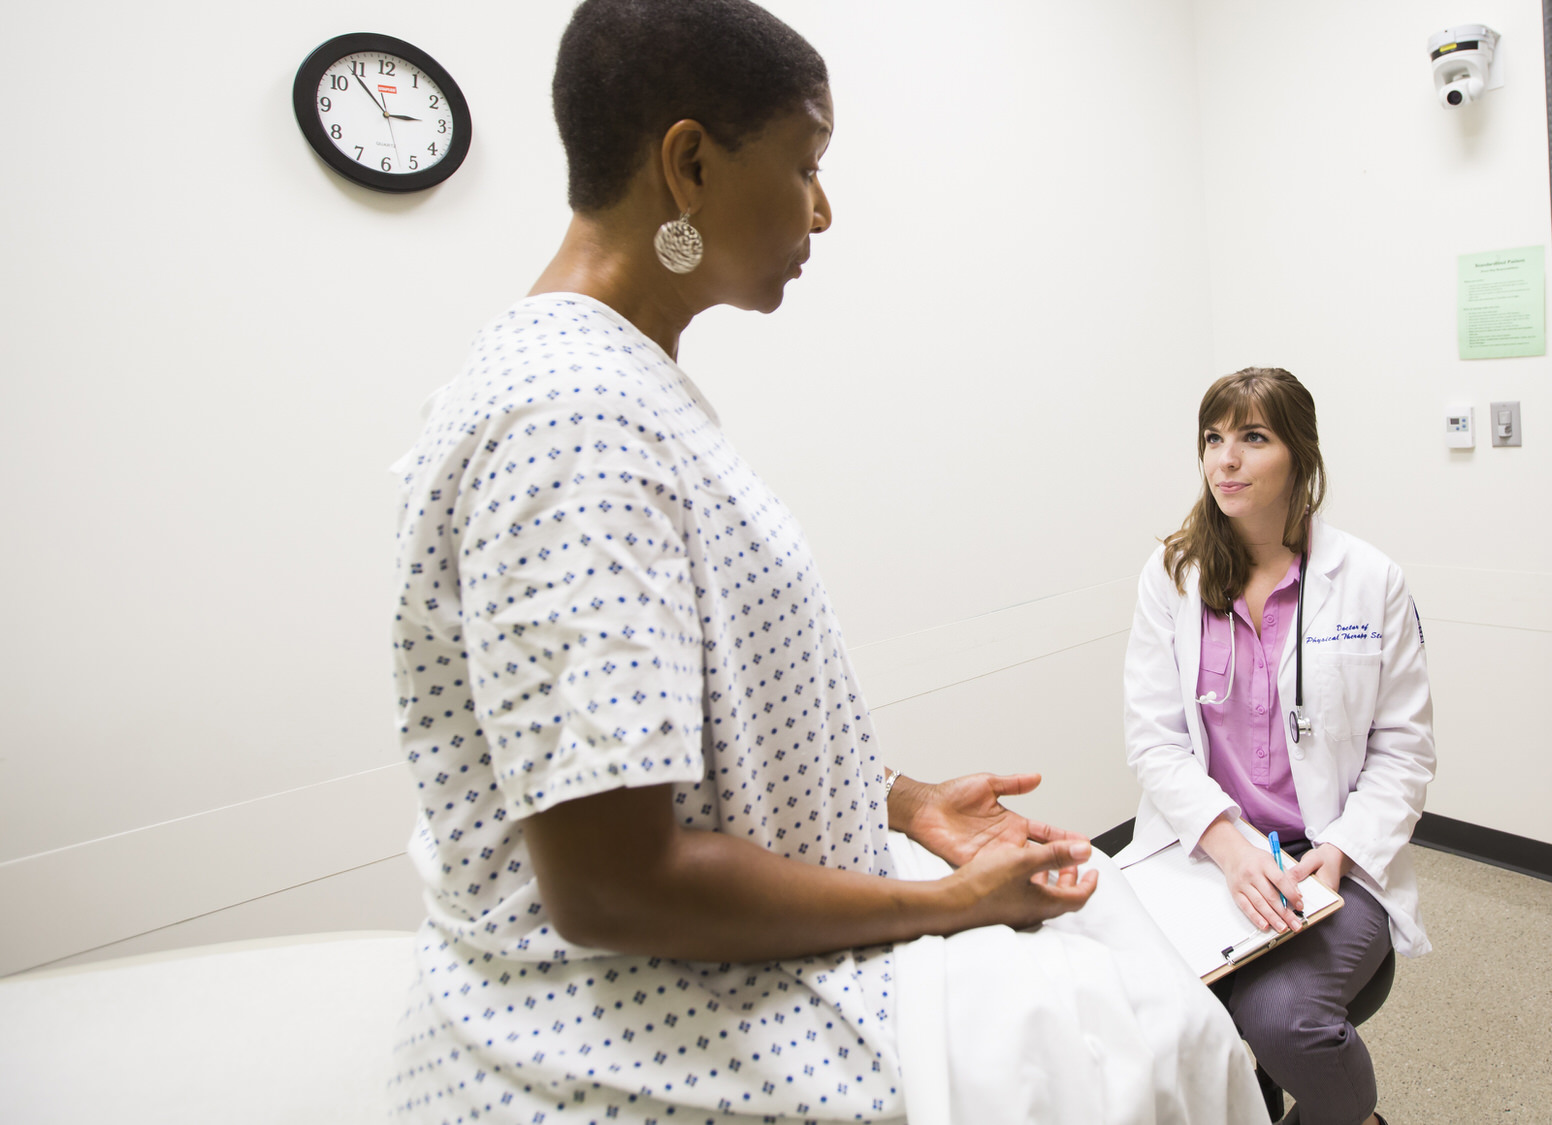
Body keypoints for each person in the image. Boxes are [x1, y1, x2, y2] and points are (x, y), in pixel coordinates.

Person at [386, 3, 1262, 1123]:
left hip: (727, 947)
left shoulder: (609, 387)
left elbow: (689, 731)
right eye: (806, 164)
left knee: (1132, 984)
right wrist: (948, 904)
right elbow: (610, 884)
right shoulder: (573, 420)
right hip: (619, 1033)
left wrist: (900, 801)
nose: (823, 209)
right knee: (1131, 1047)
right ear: (689, 164)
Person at [1120, 368, 1436, 1125]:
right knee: (1152, 1017)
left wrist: (1344, 850)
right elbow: (1153, 739)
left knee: (1281, 1019)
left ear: (1300, 455)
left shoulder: (1369, 580)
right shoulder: (1173, 575)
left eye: (1252, 438)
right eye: (1213, 439)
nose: (1224, 459)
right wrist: (1230, 848)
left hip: (1330, 861)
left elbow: (1404, 750)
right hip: (1202, 853)